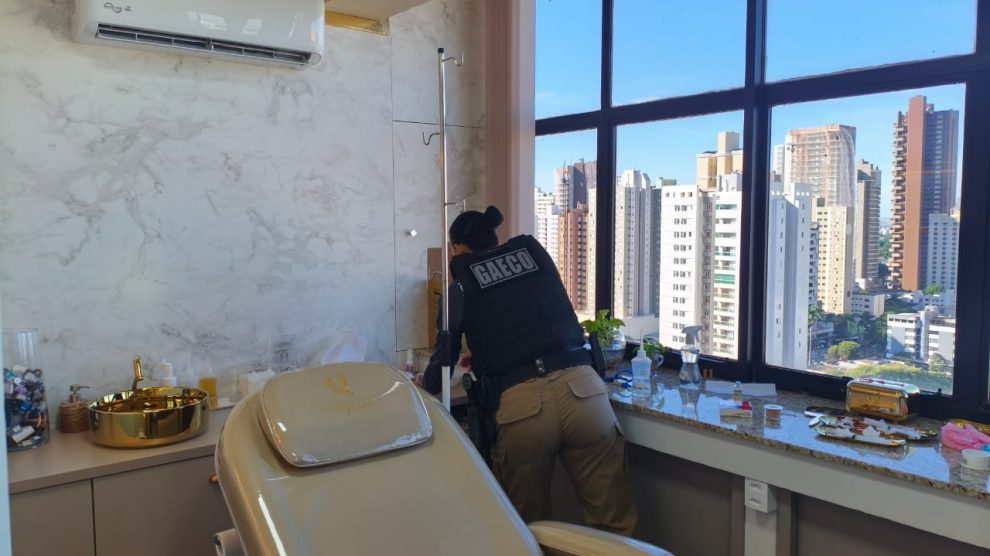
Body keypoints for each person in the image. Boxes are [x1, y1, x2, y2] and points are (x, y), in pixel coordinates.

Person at [422, 206, 637, 536]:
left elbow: (442, 363)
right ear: (494, 239)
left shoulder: (460, 286)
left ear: (458, 248)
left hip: (524, 410)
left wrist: (422, 384)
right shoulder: (533, 257)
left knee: (528, 530)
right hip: (585, 391)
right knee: (614, 523)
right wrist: (487, 355)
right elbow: (534, 318)